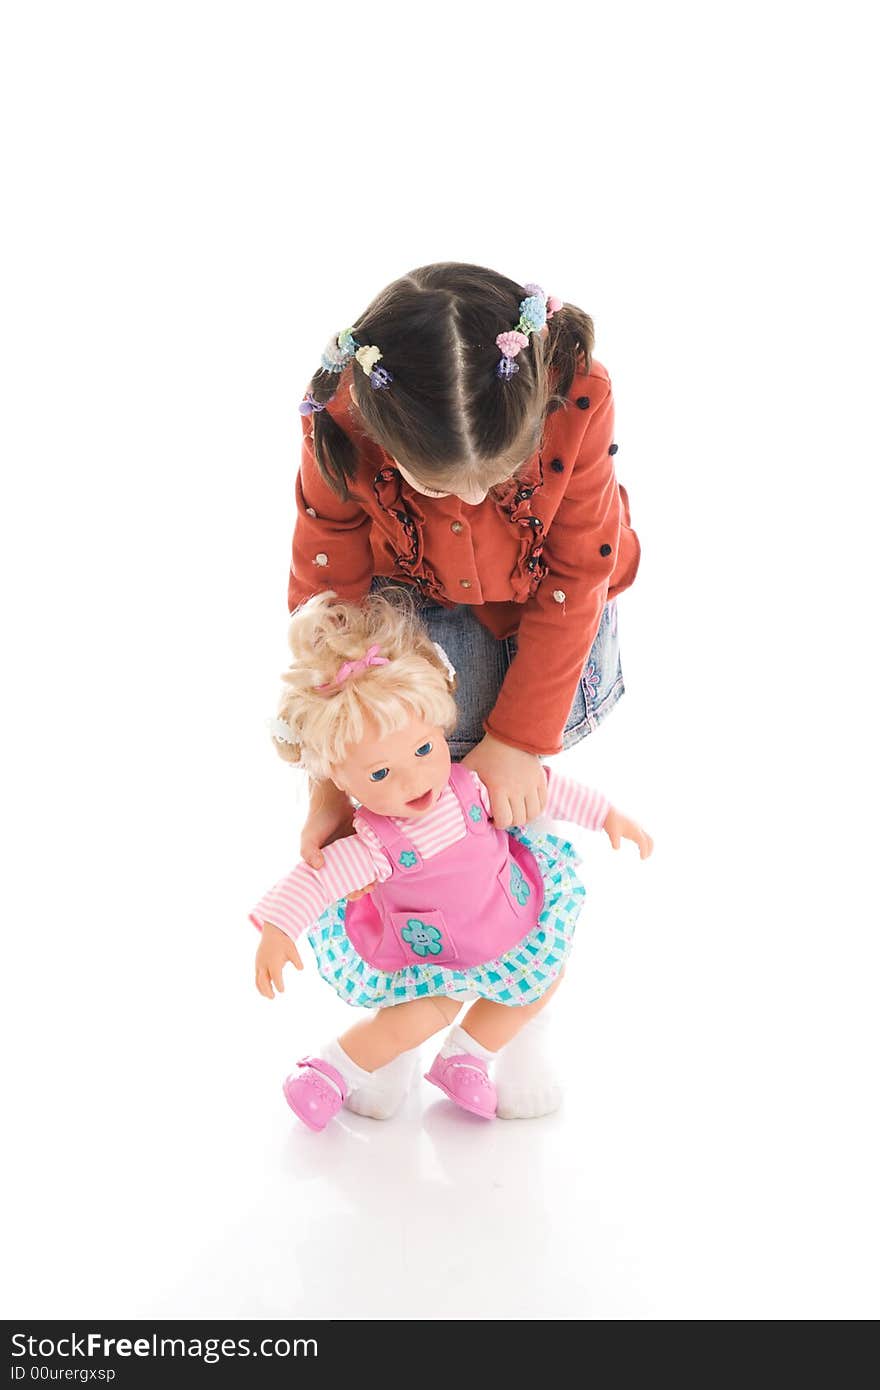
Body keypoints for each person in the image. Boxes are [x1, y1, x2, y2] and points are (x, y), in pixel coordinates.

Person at [252, 593, 652, 1132]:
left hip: (504, 925)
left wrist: (605, 816)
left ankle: (465, 1056)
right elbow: (315, 880)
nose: (414, 780)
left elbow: (545, 789)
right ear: (340, 782)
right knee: (412, 1020)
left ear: (441, 728)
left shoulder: (474, 786)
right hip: (432, 961)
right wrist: (278, 930)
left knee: (542, 981)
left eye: (423, 750)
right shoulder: (372, 842)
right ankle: (330, 1070)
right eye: (379, 775)